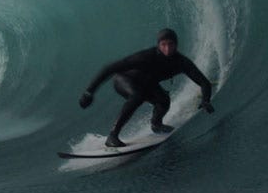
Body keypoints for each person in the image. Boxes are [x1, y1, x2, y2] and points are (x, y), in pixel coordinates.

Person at [78, 28, 215, 147]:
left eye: (171, 44)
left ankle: (156, 124)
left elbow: (204, 82)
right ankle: (112, 136)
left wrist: (206, 100)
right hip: (124, 80)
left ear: (176, 44)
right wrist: (89, 92)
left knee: (164, 100)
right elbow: (110, 68)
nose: (167, 49)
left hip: (147, 84)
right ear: (158, 45)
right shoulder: (146, 57)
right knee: (137, 96)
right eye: (163, 45)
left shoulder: (181, 62)